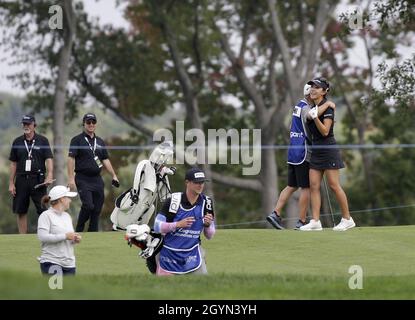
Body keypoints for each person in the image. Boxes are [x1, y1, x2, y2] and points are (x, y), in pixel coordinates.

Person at [267, 85, 335, 230]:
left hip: (293, 151)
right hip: (303, 152)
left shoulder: (298, 106)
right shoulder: (306, 108)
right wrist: (328, 104)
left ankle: (275, 213)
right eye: (313, 91)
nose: (314, 93)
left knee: (291, 186)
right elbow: (312, 116)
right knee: (306, 188)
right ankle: (302, 221)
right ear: (309, 94)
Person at [300, 77, 355, 231]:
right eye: (311, 87)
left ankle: (347, 219)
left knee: (334, 185)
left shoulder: (328, 108)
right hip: (316, 151)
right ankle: (316, 221)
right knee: (314, 186)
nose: (312, 89)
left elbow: (324, 131)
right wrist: (316, 114)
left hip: (329, 149)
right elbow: (310, 115)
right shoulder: (313, 107)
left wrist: (317, 117)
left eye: (317, 87)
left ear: (325, 91)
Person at [153, 167, 215, 275]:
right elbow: (157, 226)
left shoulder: (207, 203)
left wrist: (207, 225)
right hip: (169, 255)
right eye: (197, 182)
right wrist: (178, 224)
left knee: (204, 287)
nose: (200, 185)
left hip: (193, 255)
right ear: (187, 183)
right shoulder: (173, 201)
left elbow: (210, 235)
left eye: (202, 182)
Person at [67, 113, 119, 232]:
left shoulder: (100, 141)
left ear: (95, 124)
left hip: (96, 179)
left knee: (96, 210)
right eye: (88, 122)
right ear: (84, 124)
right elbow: (70, 159)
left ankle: (92, 234)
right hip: (82, 178)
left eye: (93, 122)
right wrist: (70, 178)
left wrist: (114, 175)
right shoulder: (77, 140)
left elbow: (105, 159)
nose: (91, 124)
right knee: (88, 205)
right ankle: (79, 228)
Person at [8, 115, 54, 234]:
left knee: (43, 209)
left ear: (34, 125)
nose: (26, 126)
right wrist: (11, 183)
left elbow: (49, 159)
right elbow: (13, 163)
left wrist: (49, 175)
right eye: (24, 124)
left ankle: (45, 235)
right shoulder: (17, 141)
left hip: (38, 180)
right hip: (21, 180)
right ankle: (23, 238)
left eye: (28, 124)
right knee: (21, 210)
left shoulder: (43, 140)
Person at [37, 185, 80, 275]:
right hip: (52, 262)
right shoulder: (46, 216)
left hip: (69, 265)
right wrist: (65, 236)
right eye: (68, 197)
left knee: (69, 290)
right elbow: (42, 237)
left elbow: (67, 239)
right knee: (56, 289)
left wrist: (74, 239)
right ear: (61, 199)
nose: (70, 200)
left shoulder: (67, 217)